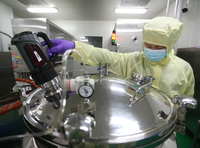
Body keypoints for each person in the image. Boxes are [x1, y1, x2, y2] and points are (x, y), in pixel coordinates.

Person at [42, 16, 195, 98]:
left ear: (169, 47)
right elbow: (106, 56)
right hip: (136, 118)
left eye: (159, 47)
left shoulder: (184, 69)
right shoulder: (133, 60)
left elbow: (184, 100)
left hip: (166, 127)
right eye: (148, 45)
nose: (152, 50)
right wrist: (75, 47)